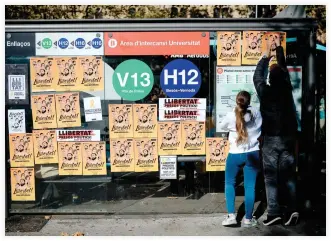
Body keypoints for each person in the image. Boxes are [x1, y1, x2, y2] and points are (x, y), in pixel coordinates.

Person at [253, 40, 299, 226]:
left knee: (271, 177)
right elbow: (284, 71)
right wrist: (279, 50)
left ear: (270, 80)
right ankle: (292, 209)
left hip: (271, 139)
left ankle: (274, 213)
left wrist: (266, 55)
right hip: (287, 138)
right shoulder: (287, 91)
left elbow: (257, 77)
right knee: (288, 175)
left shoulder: (265, 92)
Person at [219, 91, 262, 227]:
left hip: (235, 154)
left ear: (237, 101)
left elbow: (222, 126)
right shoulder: (256, 113)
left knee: (229, 183)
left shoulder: (231, 114)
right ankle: (248, 219)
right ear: (249, 101)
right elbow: (262, 126)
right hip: (253, 153)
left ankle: (231, 216)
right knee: (250, 186)